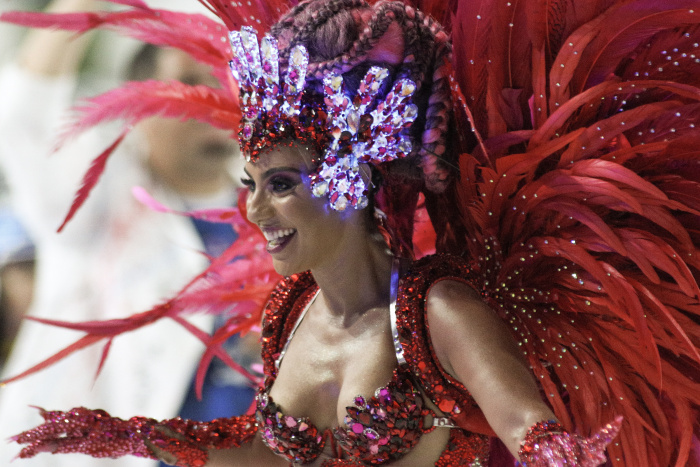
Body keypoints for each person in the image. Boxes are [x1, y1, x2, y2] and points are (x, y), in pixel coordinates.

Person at [6, 0, 700, 466]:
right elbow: (265, 449)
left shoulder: (437, 314)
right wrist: (132, 433)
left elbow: (531, 433)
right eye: (249, 185)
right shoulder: (290, 311)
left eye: (279, 185)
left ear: (349, 184)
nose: (253, 212)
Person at [0, 1, 259, 466]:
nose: (212, 102)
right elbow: (24, 117)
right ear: (140, 104)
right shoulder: (96, 202)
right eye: (190, 85)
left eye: (224, 83)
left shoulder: (275, 214)